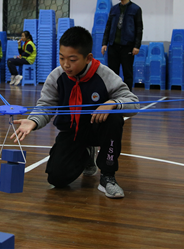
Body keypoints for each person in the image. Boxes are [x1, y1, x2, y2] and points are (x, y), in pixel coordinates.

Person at [11, 26, 139, 199]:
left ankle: (107, 176)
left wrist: (113, 103)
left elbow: (134, 103)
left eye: (72, 59)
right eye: (62, 58)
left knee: (115, 118)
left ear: (88, 58)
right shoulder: (57, 76)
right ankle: (86, 154)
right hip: (72, 131)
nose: (65, 64)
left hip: (97, 129)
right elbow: (46, 104)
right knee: (57, 179)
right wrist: (33, 121)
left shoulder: (104, 74)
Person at [101, 0, 143, 90]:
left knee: (127, 72)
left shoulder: (136, 9)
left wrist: (137, 46)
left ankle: (127, 94)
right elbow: (108, 26)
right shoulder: (114, 9)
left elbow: (139, 29)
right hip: (113, 45)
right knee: (112, 72)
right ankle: (112, 93)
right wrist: (104, 43)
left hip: (127, 46)